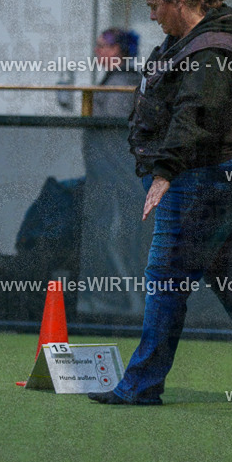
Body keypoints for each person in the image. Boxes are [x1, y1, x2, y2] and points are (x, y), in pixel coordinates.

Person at [89, 0, 232, 405]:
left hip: (208, 172)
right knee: (228, 274)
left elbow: (194, 113)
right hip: (225, 170)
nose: (151, 16)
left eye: (154, 6)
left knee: (166, 275)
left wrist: (164, 173)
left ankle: (142, 385)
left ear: (178, 1)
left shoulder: (210, 50)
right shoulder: (191, 42)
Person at [78, 29, 151, 320]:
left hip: (120, 182)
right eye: (97, 46)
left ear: (121, 50)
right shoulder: (117, 81)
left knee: (119, 238)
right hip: (111, 180)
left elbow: (117, 141)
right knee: (113, 237)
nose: (98, 52)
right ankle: (126, 300)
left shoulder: (121, 84)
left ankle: (134, 302)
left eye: (104, 46)